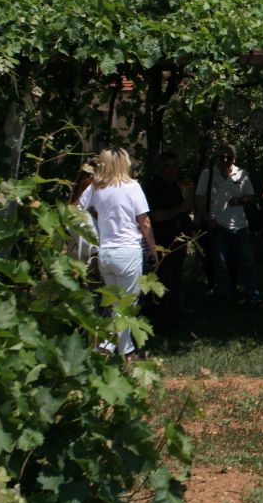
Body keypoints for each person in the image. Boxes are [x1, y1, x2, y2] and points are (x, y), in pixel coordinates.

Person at [78, 148, 159, 356]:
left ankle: (127, 356)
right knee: (126, 309)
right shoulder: (132, 187)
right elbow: (145, 222)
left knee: (116, 306)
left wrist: (94, 226)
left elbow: (77, 210)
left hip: (105, 254)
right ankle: (105, 349)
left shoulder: (97, 188)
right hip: (128, 252)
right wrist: (153, 251)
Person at [194, 143, 262, 307]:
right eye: (222, 156)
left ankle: (254, 297)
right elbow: (198, 199)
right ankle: (226, 298)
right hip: (218, 226)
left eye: (229, 157)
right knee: (220, 264)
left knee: (247, 263)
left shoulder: (242, 174)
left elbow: (251, 197)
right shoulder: (208, 174)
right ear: (217, 157)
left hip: (240, 226)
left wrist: (240, 200)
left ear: (234, 158)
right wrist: (208, 219)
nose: (225, 160)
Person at [143, 150, 193, 330]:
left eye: (174, 167)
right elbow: (155, 216)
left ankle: (175, 313)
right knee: (163, 282)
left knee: (174, 280)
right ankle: (163, 321)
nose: (171, 171)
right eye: (166, 167)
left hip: (177, 243)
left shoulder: (174, 186)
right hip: (162, 245)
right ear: (159, 168)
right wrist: (180, 209)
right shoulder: (154, 188)